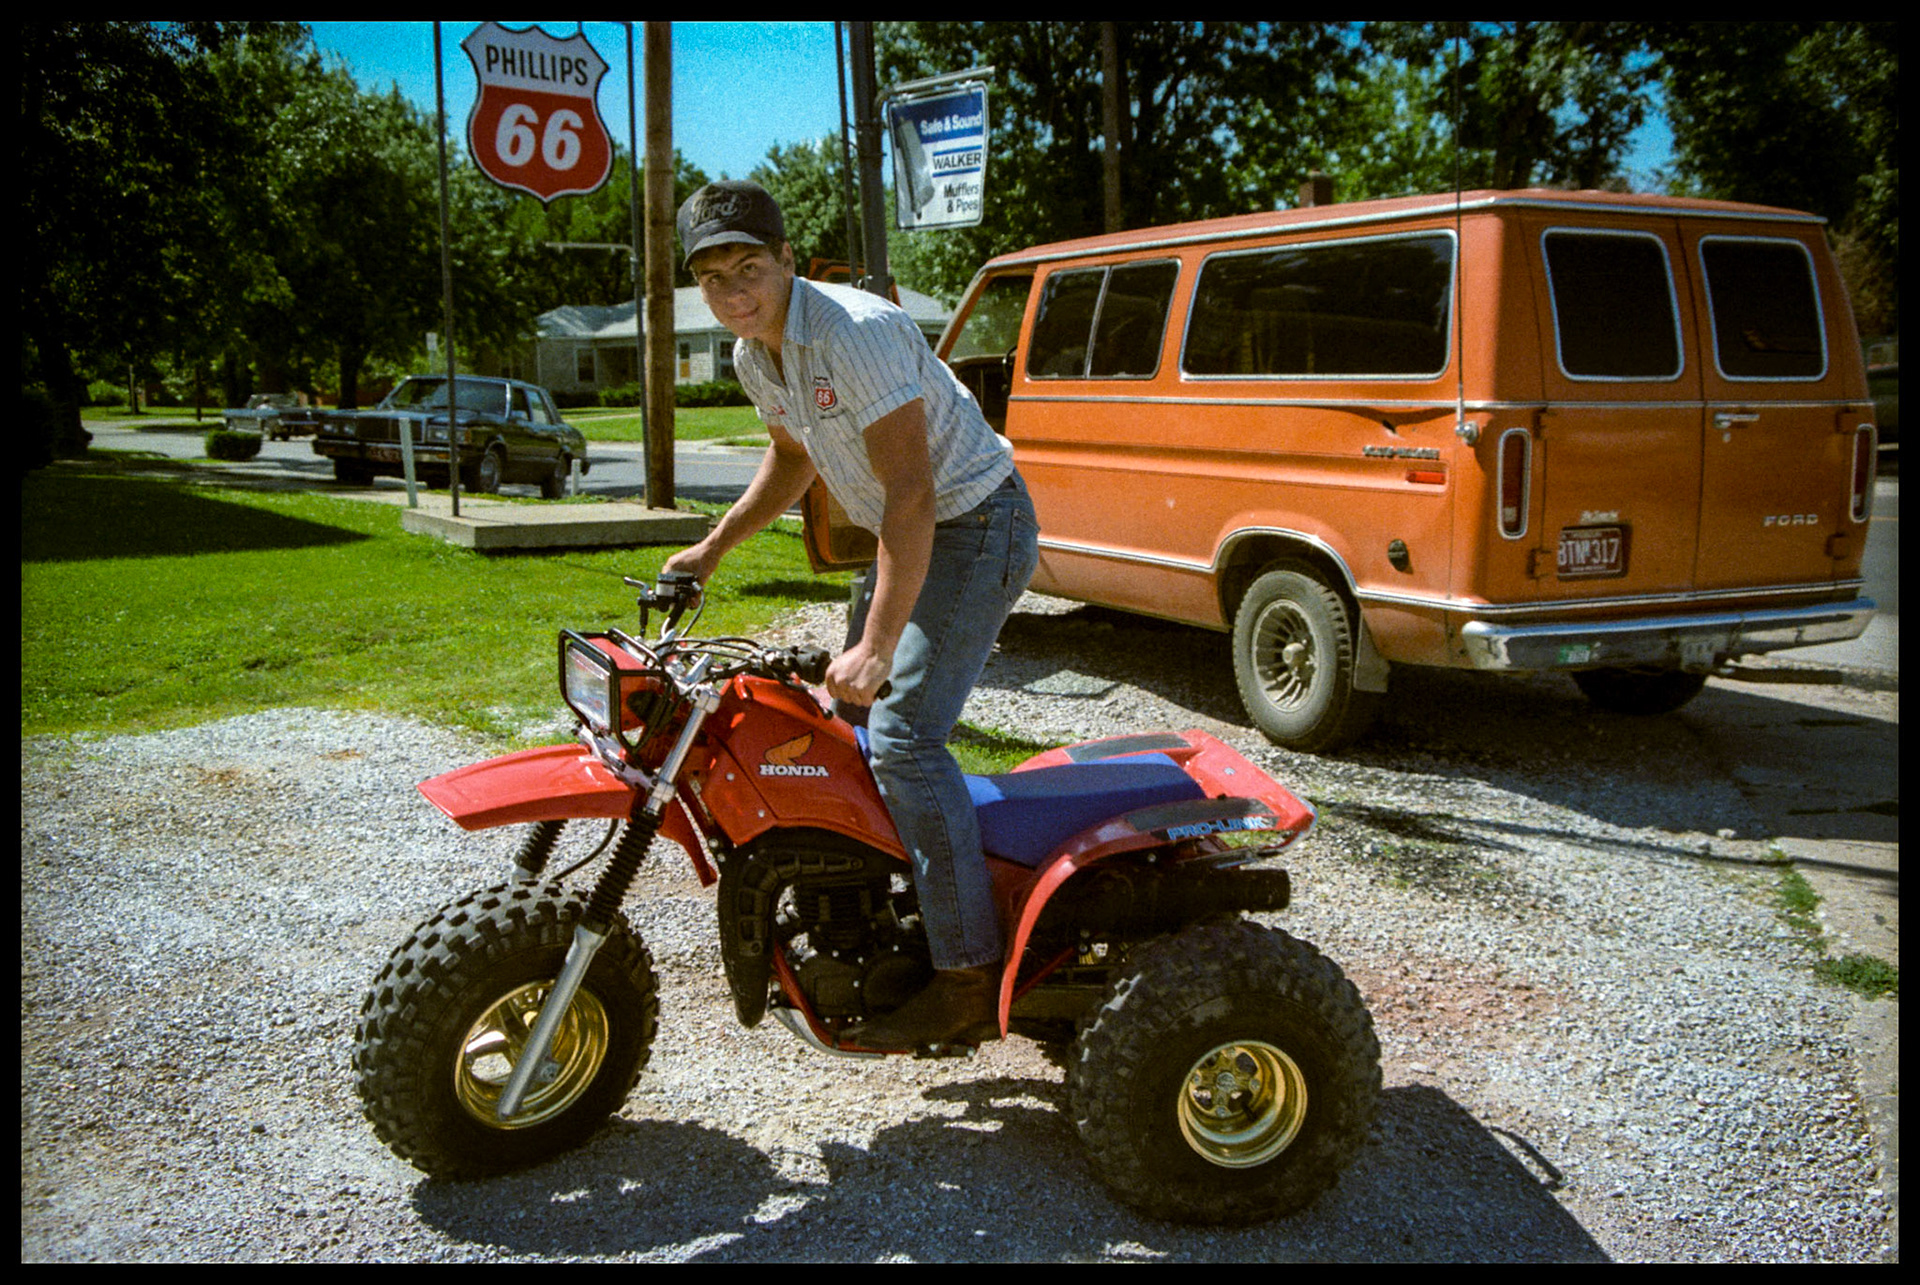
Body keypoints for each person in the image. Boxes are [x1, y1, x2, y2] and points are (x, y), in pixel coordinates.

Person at [663, 181, 1039, 1049]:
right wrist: (710, 549)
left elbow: (913, 493)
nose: (733, 292)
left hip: (975, 522)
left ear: (788, 260)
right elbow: (793, 457)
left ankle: (968, 973)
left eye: (749, 267)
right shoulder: (757, 355)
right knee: (841, 724)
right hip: (909, 530)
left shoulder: (852, 333)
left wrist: (875, 645)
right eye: (714, 277)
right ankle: (887, 905)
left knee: (903, 732)